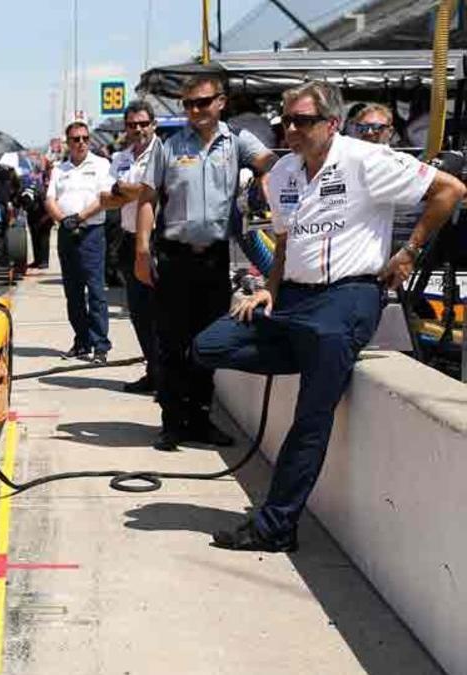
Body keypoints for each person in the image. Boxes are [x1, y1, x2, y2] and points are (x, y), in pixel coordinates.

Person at [194, 81, 466, 552]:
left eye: (302, 121)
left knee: (310, 417)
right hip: (295, 301)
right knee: (208, 346)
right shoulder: (282, 175)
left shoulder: (366, 160)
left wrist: (407, 253)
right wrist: (267, 291)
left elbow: (450, 188)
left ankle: (275, 527)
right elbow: (284, 243)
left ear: (331, 123)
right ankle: (322, 360)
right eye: (287, 120)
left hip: (348, 295)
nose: (291, 128)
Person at [134, 73, 278, 451]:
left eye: (202, 102)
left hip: (213, 260)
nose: (194, 110)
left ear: (220, 102)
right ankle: (171, 422)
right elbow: (148, 199)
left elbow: (271, 162)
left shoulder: (237, 142)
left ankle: (200, 419)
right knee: (170, 342)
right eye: (188, 104)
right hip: (174, 258)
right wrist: (142, 250)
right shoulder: (167, 146)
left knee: (206, 343)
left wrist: (269, 177)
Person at [102, 100, 159, 393]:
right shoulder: (120, 158)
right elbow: (105, 198)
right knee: (138, 312)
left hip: (157, 242)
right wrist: (132, 191)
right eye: (132, 125)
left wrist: (125, 190)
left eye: (143, 124)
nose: (138, 130)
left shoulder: (163, 154)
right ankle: (153, 371)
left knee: (161, 313)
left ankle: (167, 377)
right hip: (127, 237)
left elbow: (154, 192)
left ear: (153, 124)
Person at [46, 121, 113, 363]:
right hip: (67, 234)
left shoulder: (102, 165)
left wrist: (79, 218)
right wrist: (64, 221)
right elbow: (50, 199)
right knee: (73, 294)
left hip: (91, 233)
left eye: (85, 138)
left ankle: (100, 345)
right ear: (68, 142)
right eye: (76, 139)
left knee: (95, 292)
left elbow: (104, 198)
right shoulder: (59, 169)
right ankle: (82, 341)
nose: (81, 142)